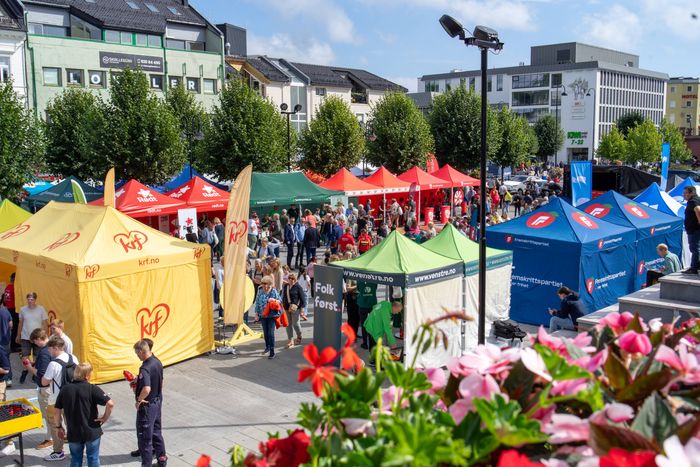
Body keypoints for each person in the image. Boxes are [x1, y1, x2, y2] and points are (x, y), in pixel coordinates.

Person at [53, 362, 113, 467]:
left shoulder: (65, 389)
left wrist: (59, 427)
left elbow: (57, 411)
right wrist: (104, 418)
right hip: (92, 431)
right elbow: (110, 404)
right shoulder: (92, 389)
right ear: (87, 375)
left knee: (75, 460)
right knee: (93, 459)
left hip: (74, 432)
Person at [38, 335, 79, 461]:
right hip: (72, 397)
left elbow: (44, 382)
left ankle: (58, 452)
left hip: (56, 400)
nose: (49, 351)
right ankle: (76, 452)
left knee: (55, 426)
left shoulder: (53, 364)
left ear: (56, 348)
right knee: (72, 425)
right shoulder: (73, 358)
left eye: (50, 349)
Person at [133, 339, 167, 467]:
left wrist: (139, 400)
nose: (137, 356)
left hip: (147, 407)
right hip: (157, 401)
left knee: (145, 439)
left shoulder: (145, 367)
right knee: (157, 433)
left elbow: (146, 388)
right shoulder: (157, 362)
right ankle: (162, 461)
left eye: (137, 354)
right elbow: (161, 381)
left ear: (142, 351)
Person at [23, 328, 53, 450]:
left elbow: (41, 374)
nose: (35, 345)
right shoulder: (51, 348)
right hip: (52, 388)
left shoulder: (44, 352)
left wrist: (29, 366)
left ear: (40, 339)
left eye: (35, 342)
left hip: (45, 389)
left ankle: (50, 439)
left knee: (48, 415)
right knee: (55, 414)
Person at [16, 292, 48, 384]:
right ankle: (25, 371)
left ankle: (34, 375)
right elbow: (20, 323)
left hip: (37, 337)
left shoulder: (41, 309)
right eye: (29, 299)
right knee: (25, 356)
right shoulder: (23, 309)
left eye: (32, 299)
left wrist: (45, 336)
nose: (30, 301)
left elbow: (45, 323)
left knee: (36, 357)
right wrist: (18, 335)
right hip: (26, 337)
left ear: (35, 300)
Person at [254, 276, 282, 359]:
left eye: (265, 284)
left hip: (271, 315)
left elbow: (279, 300)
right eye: (262, 284)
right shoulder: (260, 290)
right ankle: (267, 346)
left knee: (271, 333)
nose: (263, 285)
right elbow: (257, 302)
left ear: (269, 284)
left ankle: (272, 351)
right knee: (265, 333)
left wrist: (273, 300)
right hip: (263, 315)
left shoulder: (273, 291)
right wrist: (256, 313)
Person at [282, 273, 307, 348]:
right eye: (289, 278)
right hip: (286, 307)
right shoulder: (286, 286)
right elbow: (283, 296)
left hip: (295, 308)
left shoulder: (298, 287)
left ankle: (299, 336)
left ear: (295, 279)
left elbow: (303, 300)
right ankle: (290, 340)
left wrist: (301, 309)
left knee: (295, 324)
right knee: (288, 324)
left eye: (292, 278)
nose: (291, 280)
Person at [682, 185, 700, 275]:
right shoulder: (697, 199)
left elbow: (698, 210)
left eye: (686, 193)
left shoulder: (693, 201)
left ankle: (694, 268)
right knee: (696, 248)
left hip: (694, 230)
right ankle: (696, 265)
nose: (684, 195)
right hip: (694, 229)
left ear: (692, 193)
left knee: (694, 248)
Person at [356, 281, 378, 349]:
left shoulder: (359, 280)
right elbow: (375, 288)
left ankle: (365, 343)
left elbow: (359, 289)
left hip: (362, 304)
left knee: (364, 325)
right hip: (372, 303)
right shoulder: (374, 280)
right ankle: (373, 343)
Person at [2, 273, 18, 352]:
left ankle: (14, 344)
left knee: (12, 328)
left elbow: (4, 299)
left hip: (8, 308)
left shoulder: (8, 287)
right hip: (13, 309)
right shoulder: (14, 288)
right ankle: (13, 346)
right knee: (15, 328)